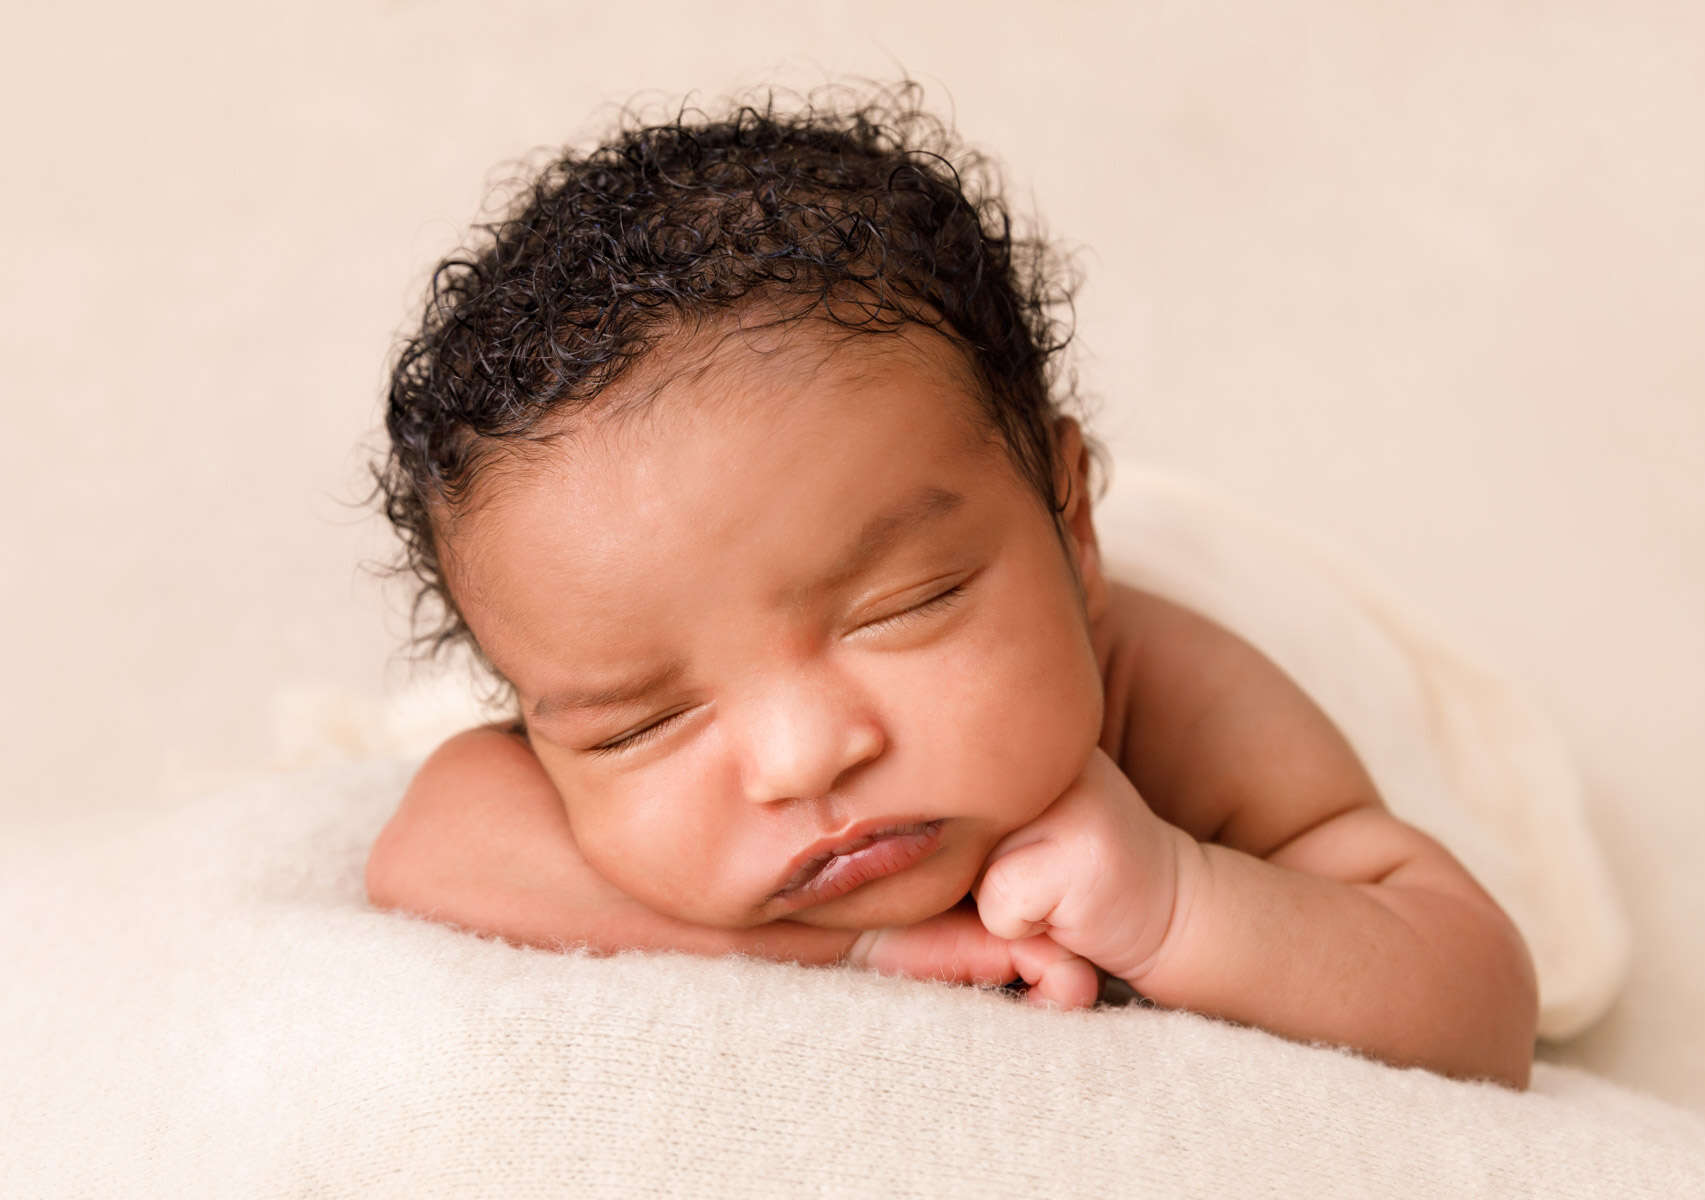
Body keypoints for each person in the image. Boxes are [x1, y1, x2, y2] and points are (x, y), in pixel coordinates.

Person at [364, 86, 1537, 1087]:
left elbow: (1477, 999)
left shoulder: (1175, 690)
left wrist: (1181, 900)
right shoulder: (558, 718)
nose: (801, 760)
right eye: (641, 723)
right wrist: (863, 952)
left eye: (901, 607)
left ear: (1071, 528)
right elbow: (428, 851)